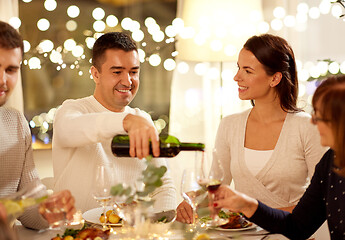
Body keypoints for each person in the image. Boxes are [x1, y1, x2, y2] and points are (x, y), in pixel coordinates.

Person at [176, 34, 327, 223]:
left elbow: (322, 200)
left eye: (248, 71)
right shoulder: (229, 125)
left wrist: (257, 216)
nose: (236, 77)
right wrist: (192, 202)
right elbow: (217, 190)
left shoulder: (307, 127)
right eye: (238, 68)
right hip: (240, 234)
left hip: (292, 234)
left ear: (275, 79)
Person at [52, 32, 176, 212]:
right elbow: (68, 131)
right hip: (76, 233)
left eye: (134, 72)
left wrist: (161, 224)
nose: (127, 81)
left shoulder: (142, 120)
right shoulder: (72, 110)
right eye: (117, 72)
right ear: (95, 74)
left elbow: (163, 185)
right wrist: (126, 122)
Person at [212, 75, 345, 240]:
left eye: (320, 116)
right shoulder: (330, 162)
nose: (313, 122)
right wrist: (247, 205)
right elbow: (298, 225)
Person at [0, 20, 75, 230]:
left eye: (11, 69)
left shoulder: (15, 123)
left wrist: (48, 210)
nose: (2, 80)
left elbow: (30, 207)